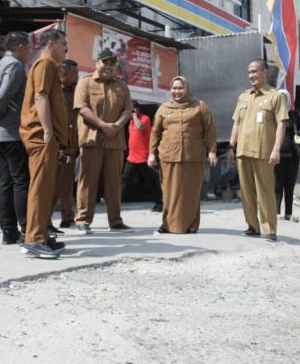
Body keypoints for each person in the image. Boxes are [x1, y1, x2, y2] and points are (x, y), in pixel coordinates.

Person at [19, 29, 70, 259]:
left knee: (46, 188)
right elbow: (40, 97)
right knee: (40, 188)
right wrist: (48, 131)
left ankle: (41, 235)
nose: (65, 49)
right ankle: (34, 239)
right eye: (63, 45)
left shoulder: (48, 66)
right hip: (41, 135)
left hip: (47, 137)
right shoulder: (46, 64)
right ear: (51, 44)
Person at [73, 49, 134, 235]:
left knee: (114, 182)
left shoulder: (121, 85)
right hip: (92, 140)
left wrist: (115, 125)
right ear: (97, 63)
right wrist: (103, 125)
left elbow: (128, 109)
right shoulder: (85, 82)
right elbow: (81, 108)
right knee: (88, 182)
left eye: (112, 63)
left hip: (115, 141)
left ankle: (115, 221)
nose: (108, 66)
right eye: (105, 62)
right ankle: (83, 220)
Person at [227, 60, 288, 242]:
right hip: (243, 151)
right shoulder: (243, 97)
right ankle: (252, 226)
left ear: (264, 73)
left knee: (266, 191)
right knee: (246, 192)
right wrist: (231, 146)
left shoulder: (275, 96)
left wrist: (276, 149)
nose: (251, 75)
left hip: (263, 152)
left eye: (254, 71)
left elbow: (282, 124)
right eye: (249, 72)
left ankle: (270, 229)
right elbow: (236, 123)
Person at [148, 77, 217, 233]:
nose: (177, 91)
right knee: (169, 192)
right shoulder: (164, 108)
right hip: (168, 156)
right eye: (174, 88)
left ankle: (191, 225)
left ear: (187, 89)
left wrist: (212, 151)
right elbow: (155, 132)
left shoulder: (200, 106)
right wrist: (151, 153)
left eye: (180, 88)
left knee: (191, 191)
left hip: (193, 156)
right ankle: (167, 225)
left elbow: (210, 130)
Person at [0, 31, 31, 245]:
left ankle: (9, 233)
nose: (30, 52)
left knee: (5, 182)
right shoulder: (15, 66)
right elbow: (3, 96)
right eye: (28, 48)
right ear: (20, 47)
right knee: (20, 181)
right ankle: (28, 230)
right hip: (12, 132)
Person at [47, 59, 80, 232]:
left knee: (67, 184)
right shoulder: (53, 90)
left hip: (71, 144)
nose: (78, 76)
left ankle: (67, 218)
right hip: (56, 144)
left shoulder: (76, 91)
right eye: (75, 73)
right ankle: (45, 221)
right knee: (52, 185)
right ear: (63, 73)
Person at [123, 100, 164, 212]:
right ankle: (115, 201)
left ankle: (159, 203)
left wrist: (134, 115)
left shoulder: (145, 119)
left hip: (143, 157)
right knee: (124, 180)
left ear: (138, 109)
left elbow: (140, 127)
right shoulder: (131, 122)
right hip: (132, 157)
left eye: (134, 109)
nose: (132, 112)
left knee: (152, 181)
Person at [274, 89, 300, 221]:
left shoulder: (294, 114)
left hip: (293, 154)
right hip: (277, 154)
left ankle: (289, 213)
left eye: (284, 98)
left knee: (290, 185)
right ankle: (276, 212)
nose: (282, 100)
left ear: (288, 100)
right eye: (279, 97)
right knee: (277, 184)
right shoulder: (273, 114)